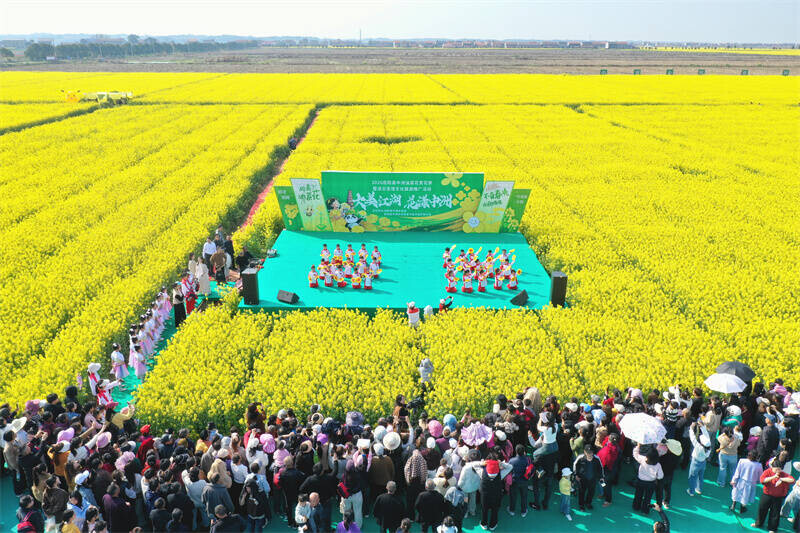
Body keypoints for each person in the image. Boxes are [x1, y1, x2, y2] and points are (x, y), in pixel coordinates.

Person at [752, 461, 795, 532]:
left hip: (778, 498)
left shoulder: (783, 474)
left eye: (780, 469)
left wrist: (781, 479)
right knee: (762, 510)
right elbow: (763, 480)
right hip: (767, 495)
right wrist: (773, 477)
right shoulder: (767, 472)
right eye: (776, 469)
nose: (778, 471)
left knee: (775, 513)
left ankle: (772, 528)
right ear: (772, 467)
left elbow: (792, 480)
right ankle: (758, 523)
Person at [632, 445, 664, 514]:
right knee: (647, 497)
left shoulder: (643, 459)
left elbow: (635, 454)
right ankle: (645, 510)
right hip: (651, 483)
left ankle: (636, 506)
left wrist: (638, 446)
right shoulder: (658, 465)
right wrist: (656, 477)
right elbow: (660, 476)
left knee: (638, 495)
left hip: (640, 481)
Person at [573, 444, 604, 512]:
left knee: (591, 492)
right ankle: (581, 505)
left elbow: (600, 468)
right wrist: (576, 475)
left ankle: (588, 503)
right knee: (581, 492)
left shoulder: (597, 459)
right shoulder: (580, 458)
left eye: (591, 452)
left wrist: (601, 477)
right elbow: (575, 465)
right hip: (582, 479)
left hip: (593, 480)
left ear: (593, 452)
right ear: (584, 452)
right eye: (588, 452)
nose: (589, 454)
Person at [686, 423, 711, 496]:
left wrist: (691, 429)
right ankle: (699, 489)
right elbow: (707, 436)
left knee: (692, 477)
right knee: (701, 476)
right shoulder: (709, 446)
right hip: (703, 462)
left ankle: (691, 491)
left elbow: (692, 438)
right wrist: (703, 427)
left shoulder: (698, 447)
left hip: (695, 463)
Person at [507, 444, 530, 517]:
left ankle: (512, 510)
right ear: (524, 452)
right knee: (524, 496)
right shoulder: (527, 460)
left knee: (513, 496)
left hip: (515, 481)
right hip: (524, 481)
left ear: (516, 451)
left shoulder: (511, 461)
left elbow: (508, 470)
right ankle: (523, 511)